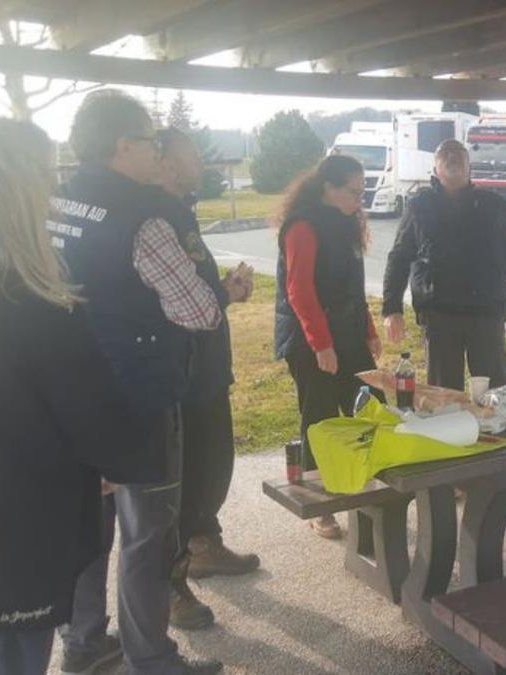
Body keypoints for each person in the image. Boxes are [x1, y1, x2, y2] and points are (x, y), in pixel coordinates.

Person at [0, 114, 161, 674]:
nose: (53, 194)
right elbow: (109, 429)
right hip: (6, 553)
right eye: (44, 181)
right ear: (14, 191)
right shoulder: (29, 301)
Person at [53, 91, 223, 675]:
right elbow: (198, 309)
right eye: (151, 141)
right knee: (147, 533)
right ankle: (151, 659)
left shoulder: (57, 201)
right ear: (123, 146)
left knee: (87, 529)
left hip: (71, 391)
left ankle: (83, 647)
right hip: (139, 395)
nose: (159, 151)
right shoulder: (145, 215)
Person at [153, 128, 259, 632]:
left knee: (212, 463)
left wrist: (223, 292)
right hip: (179, 374)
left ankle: (204, 544)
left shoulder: (180, 211)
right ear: (163, 161)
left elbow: (189, 292)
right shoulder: (152, 218)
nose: (200, 159)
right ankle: (172, 587)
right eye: (191, 153)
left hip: (207, 368)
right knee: (179, 479)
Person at [274, 155, 384, 539]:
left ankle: (368, 489)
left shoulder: (348, 223)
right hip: (310, 339)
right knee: (319, 418)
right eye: (354, 191)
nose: (360, 199)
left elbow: (352, 287)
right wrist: (322, 344)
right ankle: (321, 504)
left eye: (363, 191)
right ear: (328, 188)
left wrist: (368, 329)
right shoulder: (302, 227)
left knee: (369, 407)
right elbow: (299, 291)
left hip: (348, 330)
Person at [383, 139, 506, 391]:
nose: (452, 158)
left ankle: (496, 430)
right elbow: (399, 257)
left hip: (486, 312)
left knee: (496, 392)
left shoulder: (492, 205)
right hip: (439, 314)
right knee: (443, 394)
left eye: (459, 154)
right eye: (445, 154)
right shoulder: (420, 206)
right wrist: (391, 309)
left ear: (469, 165)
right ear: (435, 167)